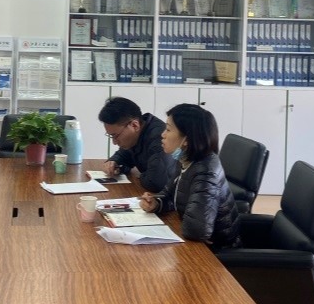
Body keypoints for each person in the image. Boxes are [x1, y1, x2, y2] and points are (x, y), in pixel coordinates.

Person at [138, 103, 241, 249]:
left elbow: (196, 230)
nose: (163, 134)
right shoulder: (185, 158)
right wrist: (156, 203)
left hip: (216, 253)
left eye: (168, 129)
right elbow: (170, 195)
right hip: (197, 245)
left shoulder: (206, 171)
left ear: (186, 140)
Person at [98, 96, 176, 191]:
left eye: (116, 135)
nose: (114, 142)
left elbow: (156, 183)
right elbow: (125, 155)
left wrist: (139, 176)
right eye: (111, 136)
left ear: (134, 125)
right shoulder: (137, 134)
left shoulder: (160, 139)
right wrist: (115, 162)